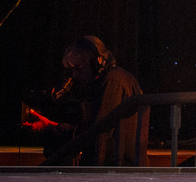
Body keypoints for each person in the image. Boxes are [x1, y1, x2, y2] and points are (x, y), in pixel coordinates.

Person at [22, 36, 148, 165]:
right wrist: (51, 125)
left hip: (117, 174)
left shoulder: (114, 81)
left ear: (97, 62)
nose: (75, 75)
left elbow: (97, 134)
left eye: (79, 68)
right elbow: (91, 130)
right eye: (72, 70)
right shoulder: (108, 81)